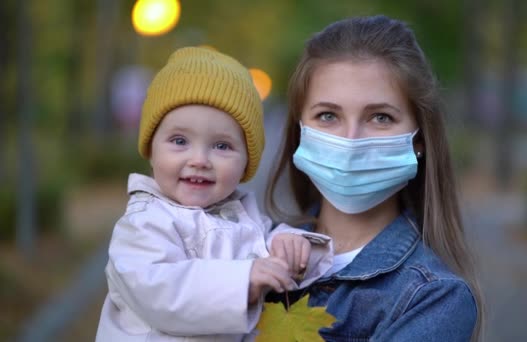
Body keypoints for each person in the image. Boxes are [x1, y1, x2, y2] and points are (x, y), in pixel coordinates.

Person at [266, 15, 483, 341]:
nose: (351, 140)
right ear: (300, 131)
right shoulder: (248, 246)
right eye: (328, 116)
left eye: (380, 117)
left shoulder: (435, 299)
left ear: (420, 139)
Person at [96, 46, 332, 342]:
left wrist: (288, 245)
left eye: (221, 146)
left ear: (247, 161)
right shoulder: (144, 224)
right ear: (150, 150)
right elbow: (161, 291)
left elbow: (258, 251)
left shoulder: (242, 217)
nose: (200, 160)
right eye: (179, 140)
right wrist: (244, 280)